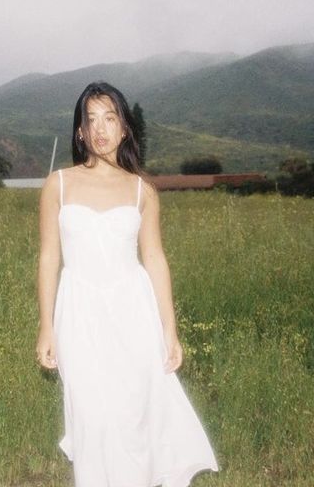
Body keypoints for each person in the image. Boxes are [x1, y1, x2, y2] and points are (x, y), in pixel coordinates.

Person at [35, 81, 219, 487]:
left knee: (133, 415)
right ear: (80, 131)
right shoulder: (58, 184)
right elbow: (50, 257)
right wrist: (46, 326)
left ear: (124, 128)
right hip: (79, 313)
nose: (100, 128)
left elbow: (154, 258)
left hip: (133, 314)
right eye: (91, 119)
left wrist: (171, 331)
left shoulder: (143, 191)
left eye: (110, 117)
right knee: (92, 417)